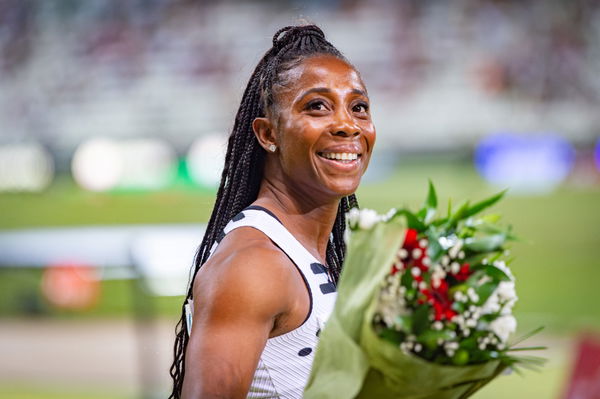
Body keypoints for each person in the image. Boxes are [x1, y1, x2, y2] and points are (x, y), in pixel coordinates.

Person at [169, 24, 376, 399]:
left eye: (358, 107)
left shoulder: (321, 251)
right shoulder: (253, 266)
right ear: (268, 134)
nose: (348, 124)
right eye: (317, 106)